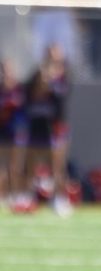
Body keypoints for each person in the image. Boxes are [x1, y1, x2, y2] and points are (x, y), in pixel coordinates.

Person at [10, 51, 72, 215]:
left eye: (48, 78)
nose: (46, 80)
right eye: (43, 77)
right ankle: (26, 198)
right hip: (34, 137)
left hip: (52, 136)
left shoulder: (55, 95)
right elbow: (22, 114)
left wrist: (60, 136)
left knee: (57, 171)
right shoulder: (28, 94)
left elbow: (60, 116)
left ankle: (59, 199)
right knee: (30, 170)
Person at [31, 0, 78, 67]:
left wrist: (77, 21)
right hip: (45, 22)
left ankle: (64, 74)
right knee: (42, 49)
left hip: (61, 22)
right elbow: (34, 5)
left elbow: (72, 6)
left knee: (64, 49)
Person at [0, 60, 24, 206]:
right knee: (1, 167)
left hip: (15, 132)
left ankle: (15, 195)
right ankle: (2, 195)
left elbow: (23, 112)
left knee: (15, 167)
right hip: (2, 131)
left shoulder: (19, 89)